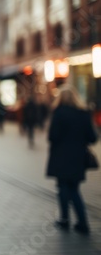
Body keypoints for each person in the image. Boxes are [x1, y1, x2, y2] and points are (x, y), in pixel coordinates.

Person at [46, 84, 98, 235]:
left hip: (61, 157)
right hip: (78, 158)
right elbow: (92, 138)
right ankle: (82, 222)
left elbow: (52, 137)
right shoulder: (84, 114)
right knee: (74, 189)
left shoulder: (59, 113)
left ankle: (65, 219)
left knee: (62, 188)